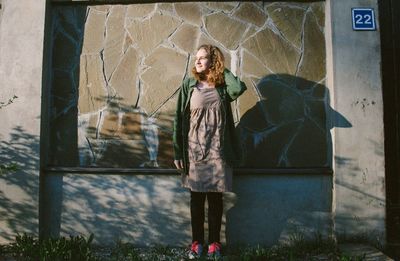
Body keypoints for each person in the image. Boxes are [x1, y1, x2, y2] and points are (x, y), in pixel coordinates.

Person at [173, 44, 247, 259]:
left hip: (218, 150)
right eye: (196, 58)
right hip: (194, 150)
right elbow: (178, 119)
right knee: (196, 199)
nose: (197, 61)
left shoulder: (223, 86)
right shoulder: (189, 85)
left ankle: (215, 243)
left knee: (215, 199)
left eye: (203, 58)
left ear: (213, 61)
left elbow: (239, 88)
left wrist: (221, 69)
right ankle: (196, 243)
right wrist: (178, 152)